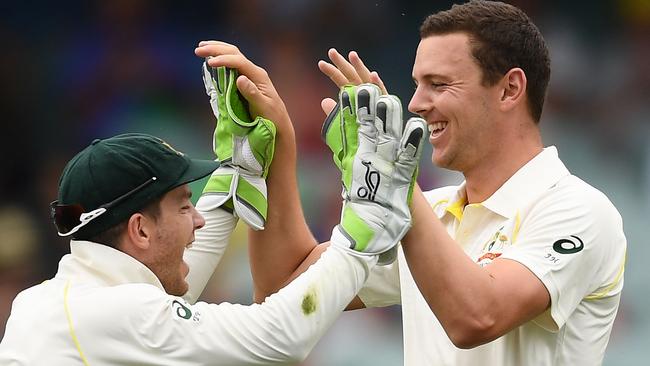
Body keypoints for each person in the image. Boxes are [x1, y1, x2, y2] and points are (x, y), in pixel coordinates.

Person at [246, 1, 627, 365]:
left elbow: (478, 318)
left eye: (439, 84)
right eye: (417, 84)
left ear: (510, 89)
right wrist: (273, 150)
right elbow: (282, 286)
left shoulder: (580, 209)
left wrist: (397, 182)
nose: (414, 104)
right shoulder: (432, 210)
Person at [0, 40, 425, 364]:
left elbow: (173, 288)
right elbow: (279, 336)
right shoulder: (116, 312)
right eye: (185, 205)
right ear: (139, 229)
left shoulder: (54, 299)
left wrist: (239, 170)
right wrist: (365, 220)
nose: (198, 220)